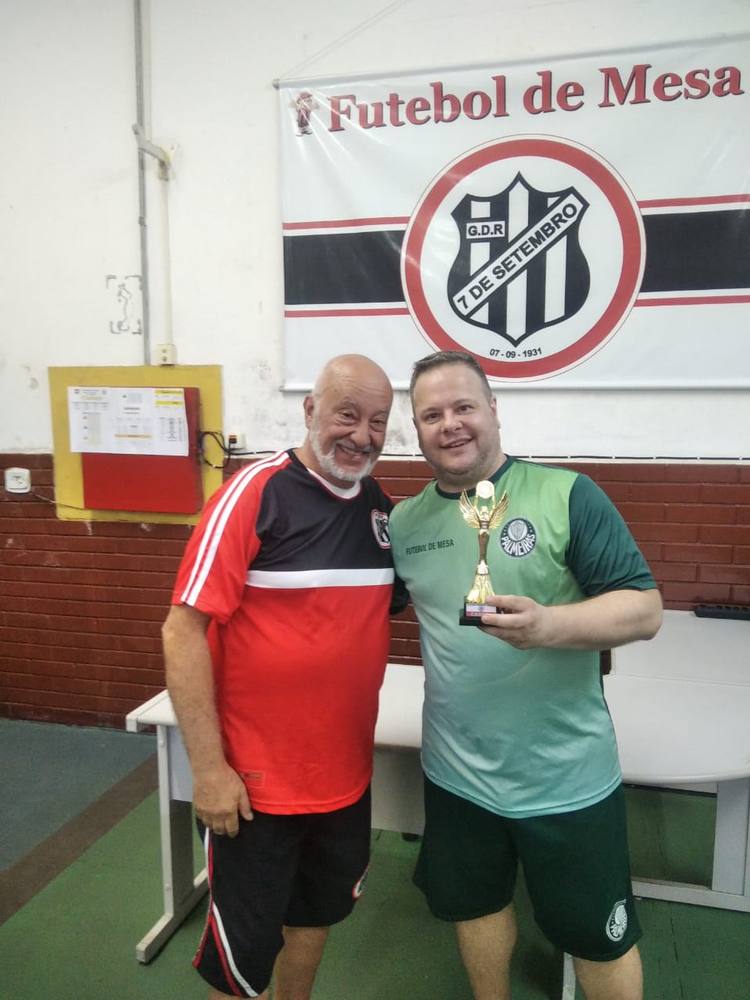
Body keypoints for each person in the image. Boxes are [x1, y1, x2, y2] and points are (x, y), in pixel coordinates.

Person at [389, 350, 663, 1000]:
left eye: (464, 407)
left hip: (566, 777)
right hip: (458, 776)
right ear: (417, 428)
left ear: (493, 410)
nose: (450, 424)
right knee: (476, 908)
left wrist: (549, 626)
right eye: (432, 414)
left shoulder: (567, 495)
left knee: (598, 938)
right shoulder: (404, 524)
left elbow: (645, 609)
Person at [163, 354, 406, 1000]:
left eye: (378, 421)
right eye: (347, 415)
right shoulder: (255, 493)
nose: (362, 435)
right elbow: (181, 631)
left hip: (344, 781)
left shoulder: (379, 509)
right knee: (242, 963)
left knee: (314, 916)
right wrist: (209, 772)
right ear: (309, 410)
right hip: (254, 791)